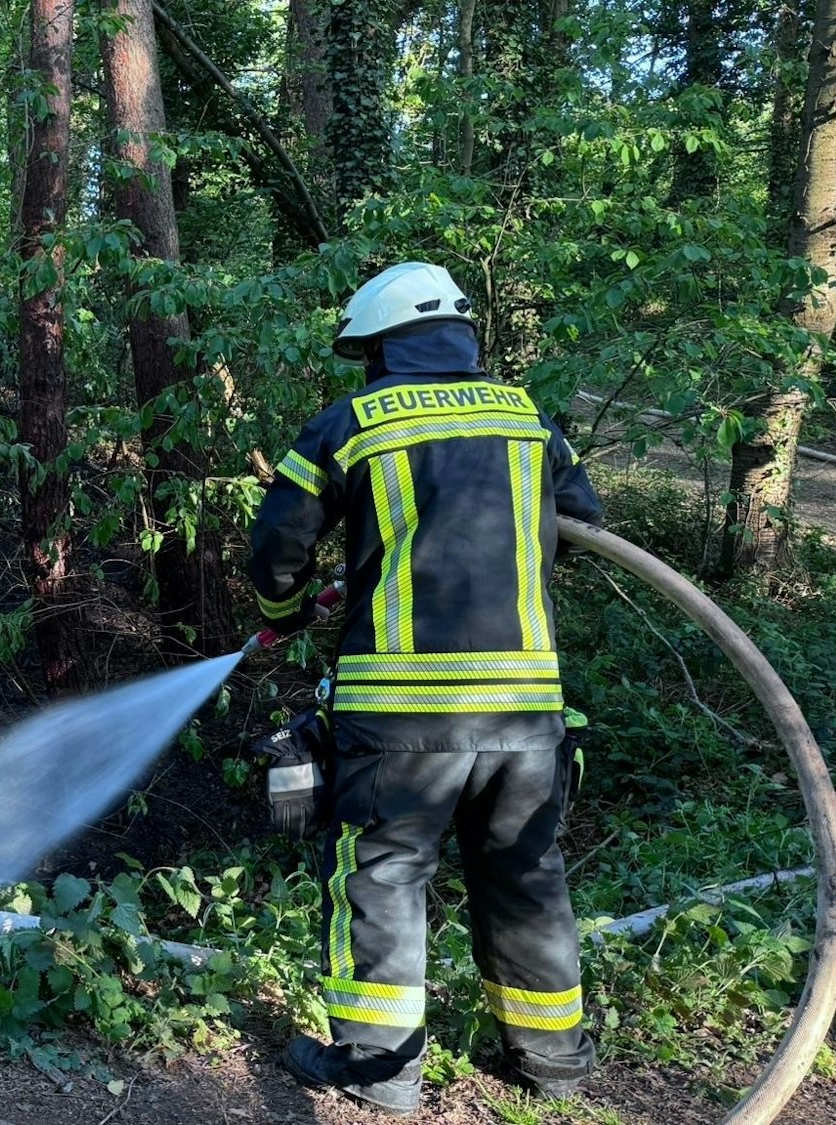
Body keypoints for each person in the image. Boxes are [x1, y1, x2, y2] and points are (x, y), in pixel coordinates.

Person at [246, 262, 603, 1114]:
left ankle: (380, 1068)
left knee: (382, 873)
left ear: (382, 347)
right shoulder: (526, 417)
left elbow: (277, 543)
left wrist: (285, 611)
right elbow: (582, 527)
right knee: (525, 870)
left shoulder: (355, 421)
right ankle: (552, 1060)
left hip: (402, 711)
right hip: (525, 707)